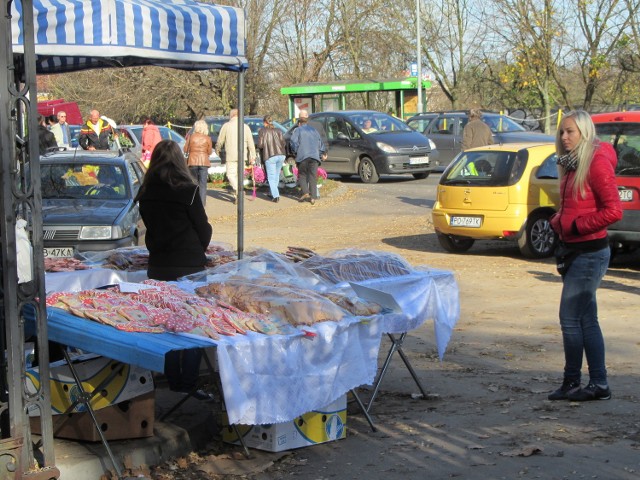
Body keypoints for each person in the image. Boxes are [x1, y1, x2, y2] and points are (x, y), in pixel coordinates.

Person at [547, 110, 622, 402]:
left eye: (571, 132)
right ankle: (597, 384)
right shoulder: (570, 163)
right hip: (573, 249)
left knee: (570, 318)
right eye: (562, 132)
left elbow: (613, 211)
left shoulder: (595, 163)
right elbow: (571, 206)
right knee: (586, 319)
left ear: (584, 133)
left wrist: (577, 226)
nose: (564, 137)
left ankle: (573, 382)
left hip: (590, 252)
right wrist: (558, 223)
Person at [134, 139, 213, 401]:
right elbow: (203, 228)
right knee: (190, 323)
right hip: (188, 263)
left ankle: (171, 376)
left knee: (165, 323)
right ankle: (188, 381)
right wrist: (199, 250)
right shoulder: (188, 191)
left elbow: (150, 227)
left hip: (159, 263)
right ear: (180, 160)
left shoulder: (145, 192)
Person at [215, 109, 256, 203]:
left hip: (230, 155)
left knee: (230, 175)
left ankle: (238, 191)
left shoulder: (226, 126)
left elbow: (220, 140)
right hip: (243, 155)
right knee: (239, 176)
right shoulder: (245, 127)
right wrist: (252, 156)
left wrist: (218, 150)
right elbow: (251, 143)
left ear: (232, 115)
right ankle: (238, 194)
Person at [290, 109, 326, 205]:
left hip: (302, 156)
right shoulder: (314, 130)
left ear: (299, 123)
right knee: (313, 177)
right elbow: (320, 143)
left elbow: (293, 143)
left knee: (302, 175)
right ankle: (313, 197)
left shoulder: (298, 130)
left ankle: (306, 192)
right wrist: (320, 154)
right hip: (314, 157)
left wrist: (295, 152)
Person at [257, 114, 286, 203]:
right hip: (281, 155)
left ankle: (275, 195)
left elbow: (260, 145)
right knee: (276, 175)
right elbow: (283, 143)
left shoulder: (263, 131)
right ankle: (272, 192)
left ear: (264, 122)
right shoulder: (279, 130)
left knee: (271, 177)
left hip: (270, 155)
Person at [184, 120, 213, 206]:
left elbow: (185, 149)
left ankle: (193, 202)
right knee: (203, 184)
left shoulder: (191, 137)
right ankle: (202, 204)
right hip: (204, 162)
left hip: (192, 161)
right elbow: (210, 151)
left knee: (194, 183)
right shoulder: (207, 138)